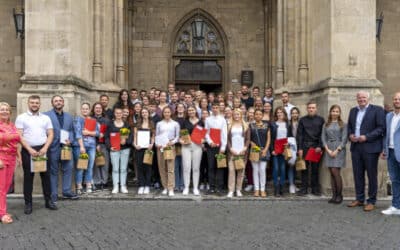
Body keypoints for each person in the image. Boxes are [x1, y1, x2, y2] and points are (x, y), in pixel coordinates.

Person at [16, 95, 55, 214]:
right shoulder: (21, 117)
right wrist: (29, 149)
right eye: (32, 102)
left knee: (46, 176)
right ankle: (28, 203)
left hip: (43, 149)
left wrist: (45, 148)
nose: (34, 104)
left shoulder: (45, 118)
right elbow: (19, 136)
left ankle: (48, 201)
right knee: (28, 178)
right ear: (28, 103)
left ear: (40, 104)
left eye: (37, 103)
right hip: (28, 151)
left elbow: (51, 134)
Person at [347, 91, 385, 211]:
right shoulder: (353, 111)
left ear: (368, 98)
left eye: (364, 97)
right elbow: (349, 127)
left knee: (371, 175)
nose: (361, 99)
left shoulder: (377, 110)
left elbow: (381, 128)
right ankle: (359, 199)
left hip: (370, 147)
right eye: (359, 97)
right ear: (356, 99)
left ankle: (371, 201)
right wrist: (350, 135)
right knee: (357, 174)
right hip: (356, 147)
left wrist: (367, 137)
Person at [45, 95, 78, 203]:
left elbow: (72, 131)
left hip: (66, 148)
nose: (58, 102)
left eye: (60, 101)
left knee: (68, 169)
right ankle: (53, 194)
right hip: (52, 148)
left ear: (63, 103)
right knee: (53, 172)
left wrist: (71, 140)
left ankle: (67, 191)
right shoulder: (46, 116)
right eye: (56, 101)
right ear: (52, 103)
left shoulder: (69, 116)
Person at [297, 100, 325, 196]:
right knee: (304, 169)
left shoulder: (321, 120)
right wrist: (300, 148)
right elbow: (299, 135)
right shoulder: (302, 120)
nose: (311, 109)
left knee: (315, 169)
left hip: (315, 147)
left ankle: (315, 189)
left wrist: (320, 146)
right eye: (309, 108)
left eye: (313, 108)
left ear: (316, 109)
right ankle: (304, 188)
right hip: (305, 146)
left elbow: (323, 134)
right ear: (307, 109)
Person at [321, 105, 347, 204]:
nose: (335, 113)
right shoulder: (326, 124)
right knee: (331, 173)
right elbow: (323, 138)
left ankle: (340, 195)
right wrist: (327, 150)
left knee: (335, 171)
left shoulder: (343, 124)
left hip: (339, 150)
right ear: (330, 112)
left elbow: (344, 139)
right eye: (333, 111)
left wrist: (337, 150)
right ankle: (334, 195)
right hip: (328, 148)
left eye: (337, 111)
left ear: (339, 113)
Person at [0, 102, 21, 224]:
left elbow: (15, 142)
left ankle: (2, 210)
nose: (4, 111)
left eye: (6, 109)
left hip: (11, 158)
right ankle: (2, 214)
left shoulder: (12, 126)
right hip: (1, 159)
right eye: (2, 109)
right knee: (1, 188)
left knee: (6, 187)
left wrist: (18, 156)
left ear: (10, 112)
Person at [72, 103, 99, 195]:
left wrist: (88, 132)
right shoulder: (77, 120)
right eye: (83, 109)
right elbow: (78, 134)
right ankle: (79, 186)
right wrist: (82, 146)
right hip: (80, 146)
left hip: (91, 146)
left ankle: (88, 185)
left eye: (86, 109)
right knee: (80, 166)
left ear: (89, 110)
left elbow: (98, 133)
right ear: (81, 110)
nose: (85, 110)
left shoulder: (93, 120)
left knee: (90, 167)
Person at [105, 107, 133, 194]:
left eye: (120, 113)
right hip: (114, 149)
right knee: (115, 169)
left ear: (122, 114)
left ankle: (123, 186)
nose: (118, 115)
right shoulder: (110, 124)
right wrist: (110, 147)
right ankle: (115, 186)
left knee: (124, 168)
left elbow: (131, 136)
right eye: (117, 113)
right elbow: (107, 137)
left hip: (125, 149)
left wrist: (126, 141)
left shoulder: (127, 124)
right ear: (114, 114)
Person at [381, 92, 400, 215]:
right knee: (394, 180)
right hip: (391, 152)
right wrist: (385, 149)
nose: (397, 101)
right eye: (395, 99)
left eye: (399, 99)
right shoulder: (389, 116)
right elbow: (386, 135)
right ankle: (395, 206)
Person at [155, 107, 180, 196]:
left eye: (168, 112)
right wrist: (157, 143)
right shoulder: (159, 124)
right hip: (161, 147)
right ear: (163, 113)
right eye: (165, 112)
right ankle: (165, 187)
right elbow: (156, 135)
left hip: (170, 146)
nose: (166, 114)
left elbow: (177, 137)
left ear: (171, 113)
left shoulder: (175, 124)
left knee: (170, 168)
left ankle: (170, 188)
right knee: (162, 167)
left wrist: (172, 142)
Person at [205, 102, 228, 195]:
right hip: (211, 146)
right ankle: (211, 187)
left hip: (220, 146)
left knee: (220, 167)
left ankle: (219, 187)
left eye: (216, 107)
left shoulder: (222, 120)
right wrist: (210, 142)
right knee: (210, 167)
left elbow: (224, 134)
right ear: (211, 109)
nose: (215, 109)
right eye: (213, 107)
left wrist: (223, 147)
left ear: (219, 109)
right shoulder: (207, 119)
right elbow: (206, 132)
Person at [226, 109, 250, 198]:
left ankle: (238, 190)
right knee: (231, 171)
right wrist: (230, 148)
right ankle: (231, 190)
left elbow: (248, 139)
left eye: (238, 114)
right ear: (233, 115)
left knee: (241, 171)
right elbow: (227, 139)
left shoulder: (245, 126)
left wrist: (245, 148)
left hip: (242, 152)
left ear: (241, 115)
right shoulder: (229, 125)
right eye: (235, 114)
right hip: (232, 152)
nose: (236, 116)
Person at [180, 105, 203, 196]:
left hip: (197, 146)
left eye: (192, 110)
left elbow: (203, 136)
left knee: (196, 168)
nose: (191, 112)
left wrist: (202, 140)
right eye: (189, 110)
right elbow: (182, 135)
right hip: (186, 146)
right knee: (186, 168)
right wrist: (181, 140)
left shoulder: (200, 122)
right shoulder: (184, 122)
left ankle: (195, 188)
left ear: (195, 111)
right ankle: (186, 187)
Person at [270, 107, 292, 196]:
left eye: (281, 112)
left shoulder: (287, 125)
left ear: (284, 114)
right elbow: (271, 138)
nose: (279, 114)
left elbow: (290, 137)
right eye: (278, 112)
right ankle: (276, 187)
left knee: (283, 169)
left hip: (284, 149)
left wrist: (287, 148)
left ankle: (281, 187)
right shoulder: (273, 124)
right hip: (275, 149)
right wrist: (272, 150)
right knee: (276, 168)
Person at [133, 108, 155, 195]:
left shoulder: (152, 124)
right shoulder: (137, 124)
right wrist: (135, 145)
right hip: (139, 148)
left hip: (148, 148)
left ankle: (147, 186)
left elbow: (153, 136)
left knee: (148, 167)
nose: (144, 113)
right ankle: (141, 185)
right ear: (141, 114)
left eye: (146, 112)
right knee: (140, 167)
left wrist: (152, 144)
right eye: (143, 112)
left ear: (148, 113)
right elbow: (135, 137)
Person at [249, 109, 271, 197]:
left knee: (262, 170)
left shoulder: (267, 125)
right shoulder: (251, 126)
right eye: (256, 114)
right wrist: (251, 143)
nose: (258, 116)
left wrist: (266, 149)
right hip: (254, 149)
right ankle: (256, 189)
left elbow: (269, 138)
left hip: (263, 149)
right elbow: (248, 138)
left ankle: (262, 189)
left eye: (260, 114)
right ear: (254, 115)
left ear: (262, 116)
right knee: (255, 170)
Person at [92, 102, 110, 190]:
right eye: (96, 108)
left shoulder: (107, 120)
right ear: (94, 109)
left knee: (104, 164)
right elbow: (89, 134)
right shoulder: (91, 120)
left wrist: (104, 135)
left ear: (102, 110)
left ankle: (104, 181)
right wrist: (96, 144)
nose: (98, 109)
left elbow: (110, 132)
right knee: (96, 164)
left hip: (104, 144)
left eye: (100, 108)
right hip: (94, 145)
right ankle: (97, 182)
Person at [288, 107, 300, 193]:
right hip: (291, 147)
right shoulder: (288, 124)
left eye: (296, 113)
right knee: (291, 166)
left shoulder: (301, 123)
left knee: (298, 166)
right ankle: (291, 184)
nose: (294, 114)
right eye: (293, 113)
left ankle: (295, 184)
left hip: (299, 147)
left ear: (298, 114)